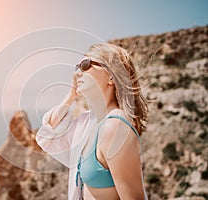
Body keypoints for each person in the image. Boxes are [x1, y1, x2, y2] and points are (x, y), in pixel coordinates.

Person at [36, 43, 149, 200]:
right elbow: (48, 134)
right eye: (78, 67)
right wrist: (71, 95)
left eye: (86, 65)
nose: (77, 74)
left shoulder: (115, 127)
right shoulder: (88, 122)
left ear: (111, 76)